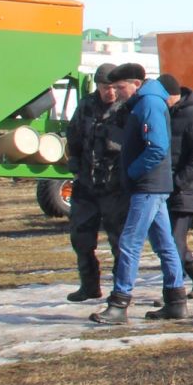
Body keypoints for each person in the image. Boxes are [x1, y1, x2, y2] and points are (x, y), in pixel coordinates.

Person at [90, 65, 191, 324]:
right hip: (153, 185)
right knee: (164, 244)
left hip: (147, 185)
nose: (116, 92)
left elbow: (157, 147)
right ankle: (176, 300)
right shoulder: (147, 102)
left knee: (129, 243)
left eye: (120, 87)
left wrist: (133, 171)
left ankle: (119, 303)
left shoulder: (149, 104)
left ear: (136, 83)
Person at [64, 63, 119, 302]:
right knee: (81, 238)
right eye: (106, 87)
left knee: (119, 241)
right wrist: (75, 164)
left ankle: (121, 289)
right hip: (86, 184)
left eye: (114, 87)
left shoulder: (126, 108)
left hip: (115, 186)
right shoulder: (86, 105)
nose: (111, 92)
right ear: (97, 85)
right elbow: (73, 135)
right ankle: (89, 285)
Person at [159, 74, 193, 297]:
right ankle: (175, 288)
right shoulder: (169, 112)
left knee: (173, 241)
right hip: (165, 187)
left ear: (172, 96)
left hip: (185, 190)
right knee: (166, 241)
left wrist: (179, 181)